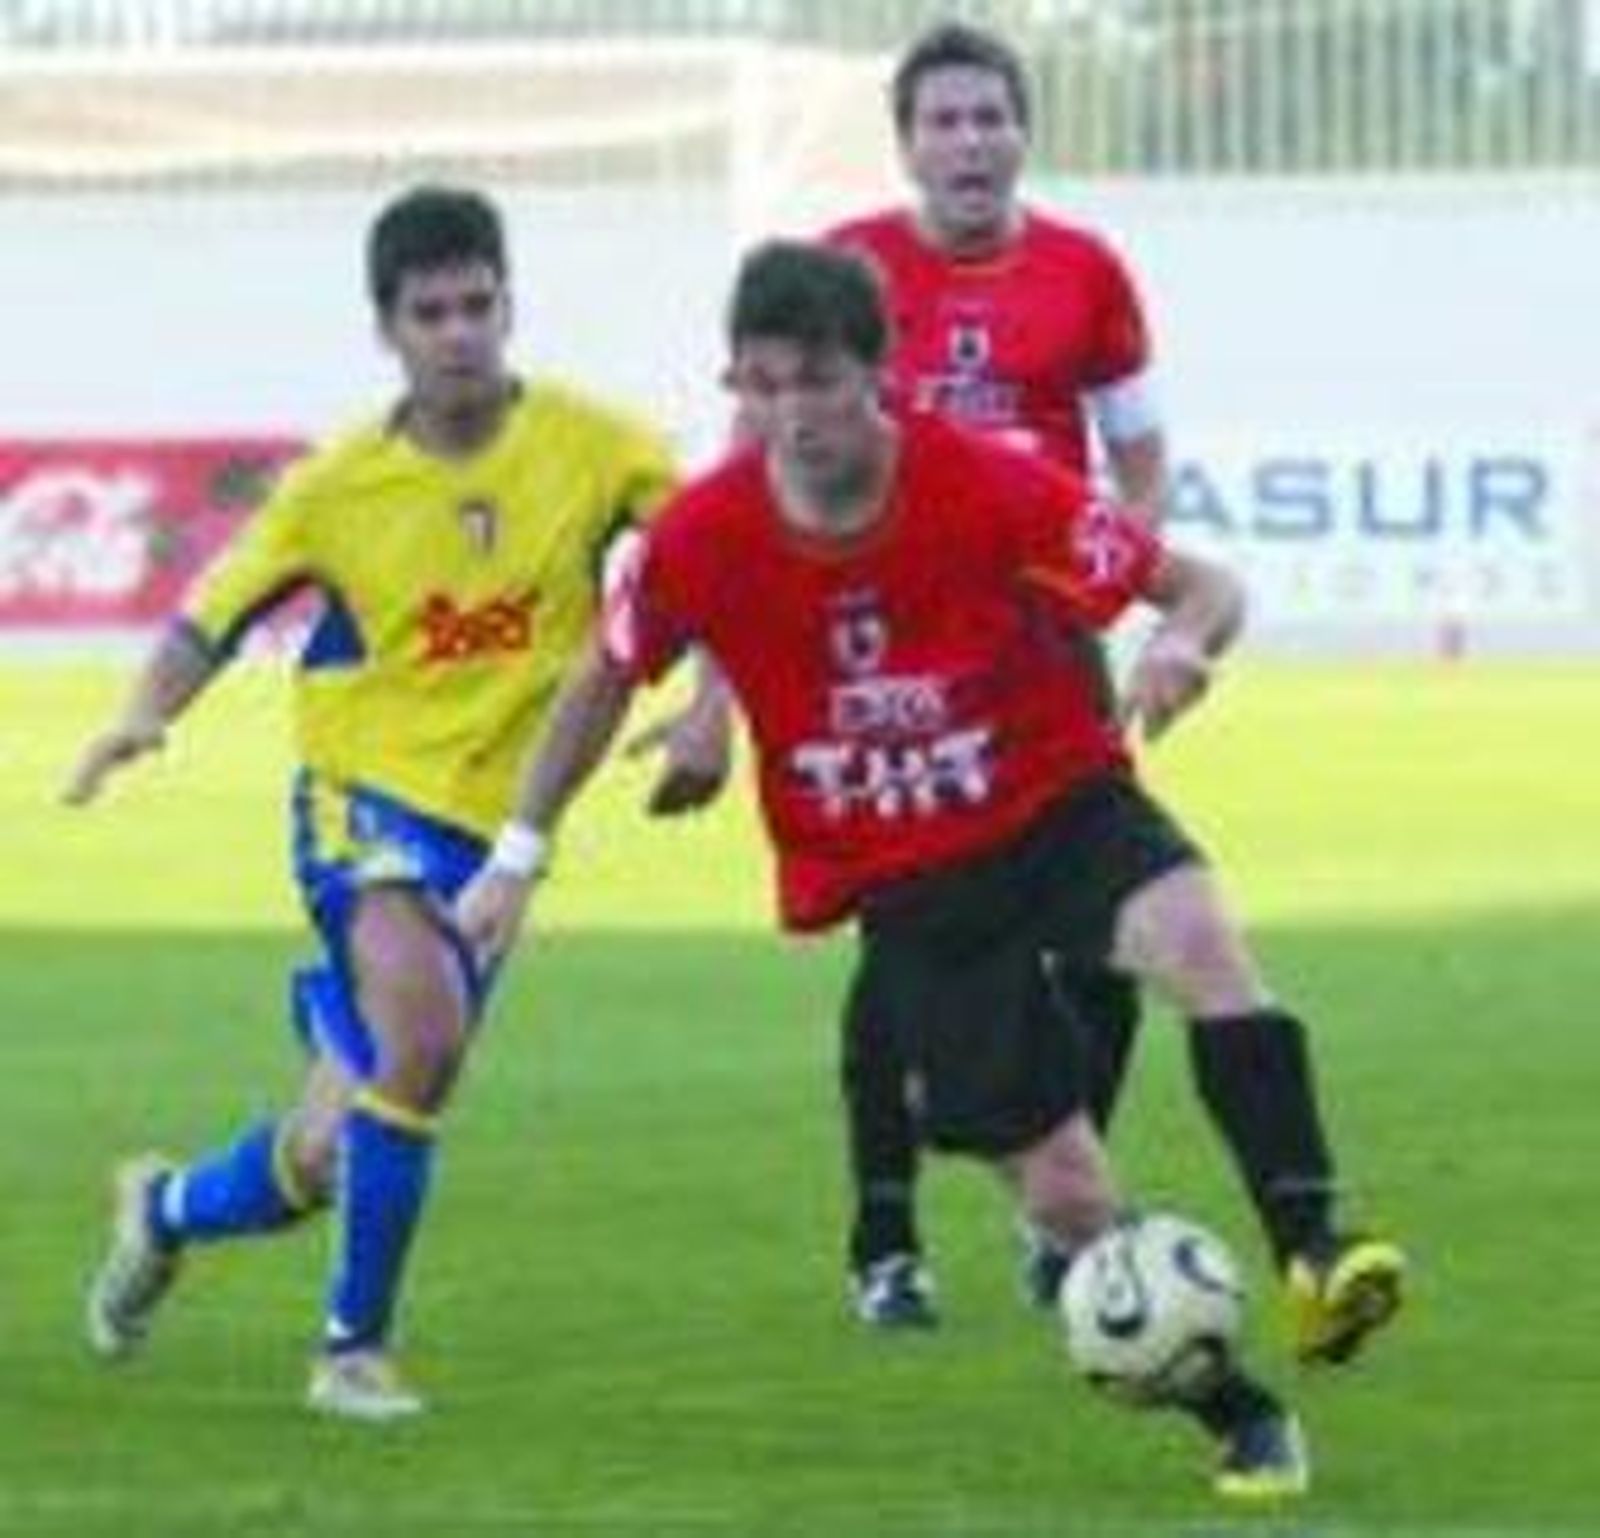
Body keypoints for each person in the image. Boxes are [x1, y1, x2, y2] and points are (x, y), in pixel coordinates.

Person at [456, 239, 1336, 1499]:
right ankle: (1239, 1413)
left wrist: (1181, 644)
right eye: (763, 384)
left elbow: (1199, 586)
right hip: (913, 881)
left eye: (817, 380)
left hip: (1054, 802)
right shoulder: (701, 533)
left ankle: (1316, 1250)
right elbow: (603, 675)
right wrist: (517, 857)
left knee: (1198, 939)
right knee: (1067, 1197)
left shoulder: (984, 482)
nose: (792, 414)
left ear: (878, 374)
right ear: (735, 384)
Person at [61, 184, 677, 1421]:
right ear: (386, 328)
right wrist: (143, 711)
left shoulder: (599, 446)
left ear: (509, 305)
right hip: (366, 800)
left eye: (477, 305)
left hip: (500, 829)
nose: (458, 332)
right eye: (429, 313)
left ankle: (163, 1207)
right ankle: (351, 1353)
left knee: (323, 1149)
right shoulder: (335, 487)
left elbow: (715, 553)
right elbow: (211, 614)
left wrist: (713, 696)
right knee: (426, 1041)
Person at [822, 20, 1168, 1327]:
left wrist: (1114, 582)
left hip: (1047, 650)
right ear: (907, 143)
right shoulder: (850, 268)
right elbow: (777, 446)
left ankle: (1056, 1210)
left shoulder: (1088, 271)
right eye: (944, 120)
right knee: (900, 940)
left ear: (1023, 131)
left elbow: (1139, 459)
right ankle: (885, 1240)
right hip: (897, 653)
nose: (969, 141)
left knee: (1109, 939)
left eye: (989, 117)